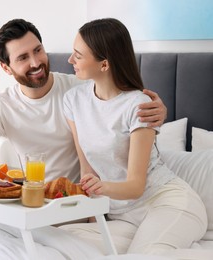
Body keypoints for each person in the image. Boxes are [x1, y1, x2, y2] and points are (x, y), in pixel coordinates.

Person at [0, 18, 167, 184]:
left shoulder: (79, 89)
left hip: (75, 202)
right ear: (6, 68)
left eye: (38, 50)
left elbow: (122, 103)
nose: (35, 62)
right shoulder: (3, 104)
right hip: (32, 202)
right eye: (22, 58)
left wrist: (159, 111)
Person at [61, 18, 207, 255]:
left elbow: (136, 186)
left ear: (104, 64)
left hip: (168, 203)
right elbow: (87, 171)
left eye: (78, 55)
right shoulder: (73, 100)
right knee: (65, 243)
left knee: (144, 255)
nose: (70, 60)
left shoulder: (138, 105)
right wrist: (93, 218)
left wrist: (100, 187)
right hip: (122, 216)